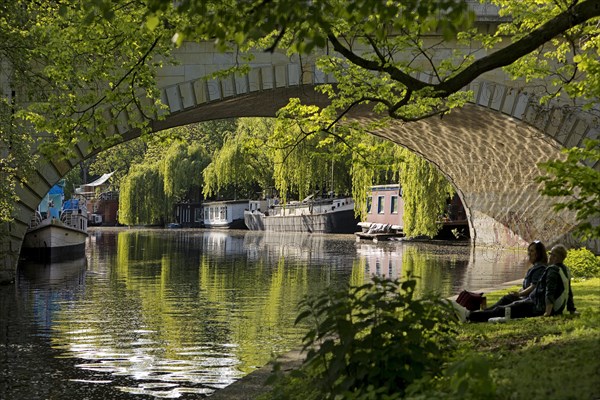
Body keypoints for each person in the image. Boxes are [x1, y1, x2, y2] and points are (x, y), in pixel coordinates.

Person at [452, 244, 576, 323]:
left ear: (555, 256)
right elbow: (568, 292)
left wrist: (547, 312)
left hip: (537, 306)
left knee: (505, 309)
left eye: (551, 254)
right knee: (507, 306)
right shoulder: (565, 270)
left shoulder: (551, 270)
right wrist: (571, 309)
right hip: (538, 303)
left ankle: (469, 316)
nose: (549, 256)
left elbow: (550, 291)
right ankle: (471, 315)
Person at [485, 240, 548, 309]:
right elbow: (527, 286)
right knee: (507, 300)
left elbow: (534, 286)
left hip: (529, 302)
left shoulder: (540, 268)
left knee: (505, 301)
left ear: (538, 253)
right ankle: (484, 311)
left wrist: (519, 294)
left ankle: (482, 313)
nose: (529, 253)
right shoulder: (536, 267)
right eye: (529, 251)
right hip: (526, 299)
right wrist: (518, 292)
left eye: (532, 251)